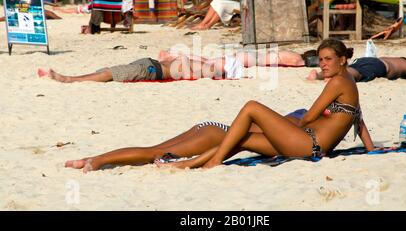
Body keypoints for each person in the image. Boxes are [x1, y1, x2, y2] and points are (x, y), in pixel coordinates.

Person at [65, 39, 375, 172]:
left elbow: (307, 117)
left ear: (343, 60)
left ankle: (96, 159)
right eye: (320, 60)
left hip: (308, 145)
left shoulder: (338, 82)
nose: (322, 65)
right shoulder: (347, 85)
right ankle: (97, 160)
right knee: (222, 139)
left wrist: (290, 122)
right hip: (300, 142)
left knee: (250, 109)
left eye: (328, 60)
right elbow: (357, 121)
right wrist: (371, 150)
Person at [39, 48, 310, 84]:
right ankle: (75, 78)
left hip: (151, 70)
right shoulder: (201, 65)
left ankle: (69, 79)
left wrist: (228, 77)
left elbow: (214, 71)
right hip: (150, 64)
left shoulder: (205, 70)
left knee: (112, 74)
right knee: (110, 69)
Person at [307, 56, 406, 82]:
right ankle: (342, 77)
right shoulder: (404, 64)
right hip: (379, 66)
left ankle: (319, 75)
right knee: (358, 74)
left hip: (364, 59)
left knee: (353, 68)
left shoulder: (390, 58)